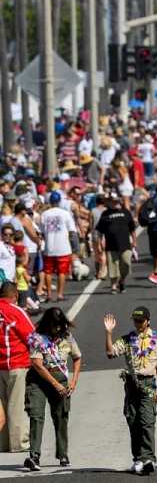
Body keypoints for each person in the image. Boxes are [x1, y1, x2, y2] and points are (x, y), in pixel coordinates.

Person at [104, 306, 157, 475]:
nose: (138, 324)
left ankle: (149, 459)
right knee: (133, 421)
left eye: (141, 321)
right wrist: (109, 333)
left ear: (148, 321)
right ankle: (138, 458)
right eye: (135, 321)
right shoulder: (127, 339)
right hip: (132, 383)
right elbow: (110, 353)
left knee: (147, 421)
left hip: (148, 383)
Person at [23, 307, 81, 470]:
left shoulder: (67, 337)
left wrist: (73, 381)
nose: (56, 329)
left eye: (59, 325)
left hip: (60, 377)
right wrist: (55, 385)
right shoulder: (37, 338)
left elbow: (77, 357)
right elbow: (37, 365)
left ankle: (63, 453)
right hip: (38, 381)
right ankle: (34, 456)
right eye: (54, 325)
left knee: (61, 416)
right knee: (36, 415)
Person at [0, 281, 34, 452]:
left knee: (3, 404)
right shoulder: (15, 311)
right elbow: (31, 336)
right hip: (15, 362)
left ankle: (4, 442)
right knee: (16, 404)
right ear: (15, 295)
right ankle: (18, 442)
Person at [39, 191, 77, 303]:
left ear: (50, 201)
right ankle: (60, 294)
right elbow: (72, 231)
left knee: (48, 272)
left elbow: (41, 232)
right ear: (59, 201)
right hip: (63, 247)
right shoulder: (65, 213)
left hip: (49, 247)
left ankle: (49, 295)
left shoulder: (44, 214)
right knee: (62, 272)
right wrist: (74, 246)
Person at [96, 195, 136, 294]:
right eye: (113, 201)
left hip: (125, 244)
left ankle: (122, 281)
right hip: (111, 244)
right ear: (109, 202)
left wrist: (134, 241)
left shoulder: (125, 212)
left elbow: (132, 228)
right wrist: (100, 241)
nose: (115, 203)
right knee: (113, 266)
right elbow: (100, 230)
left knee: (126, 264)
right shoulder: (105, 214)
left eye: (117, 201)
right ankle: (114, 285)